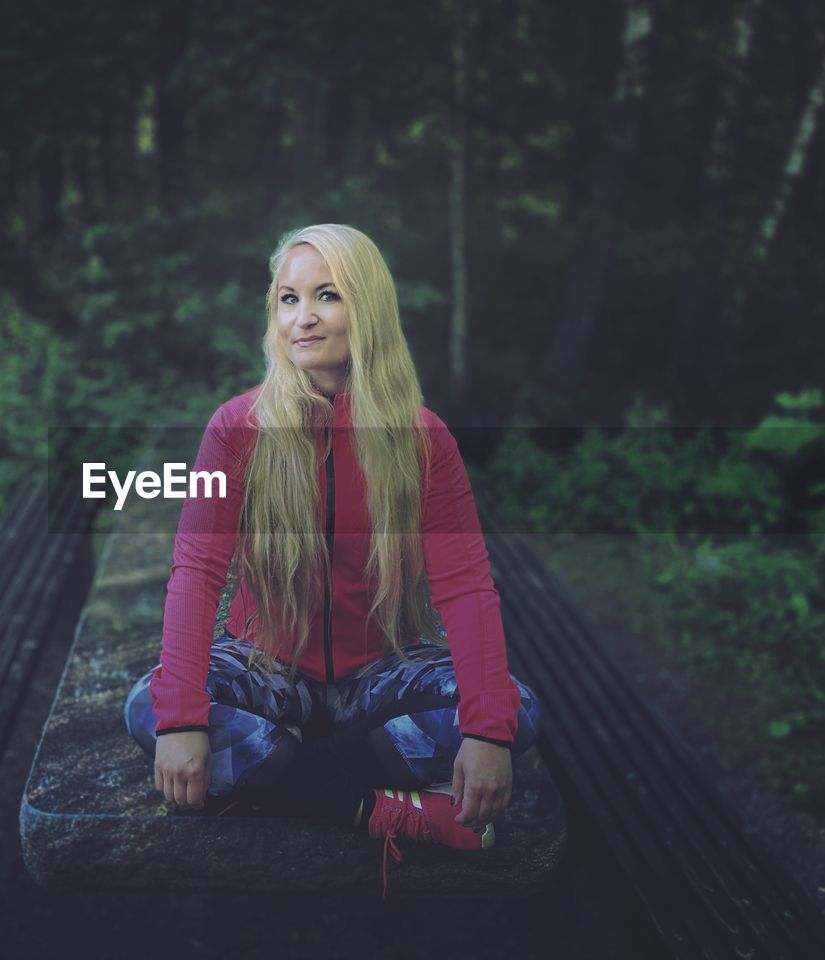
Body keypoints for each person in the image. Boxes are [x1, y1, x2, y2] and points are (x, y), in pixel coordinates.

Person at [124, 223, 542, 898]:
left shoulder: (422, 439)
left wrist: (487, 735)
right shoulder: (238, 429)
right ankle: (379, 808)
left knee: (513, 712)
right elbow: (196, 574)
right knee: (150, 707)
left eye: (327, 295)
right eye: (288, 299)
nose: (304, 316)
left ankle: (279, 771)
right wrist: (181, 724)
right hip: (267, 667)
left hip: (383, 671)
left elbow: (466, 587)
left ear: (367, 309)